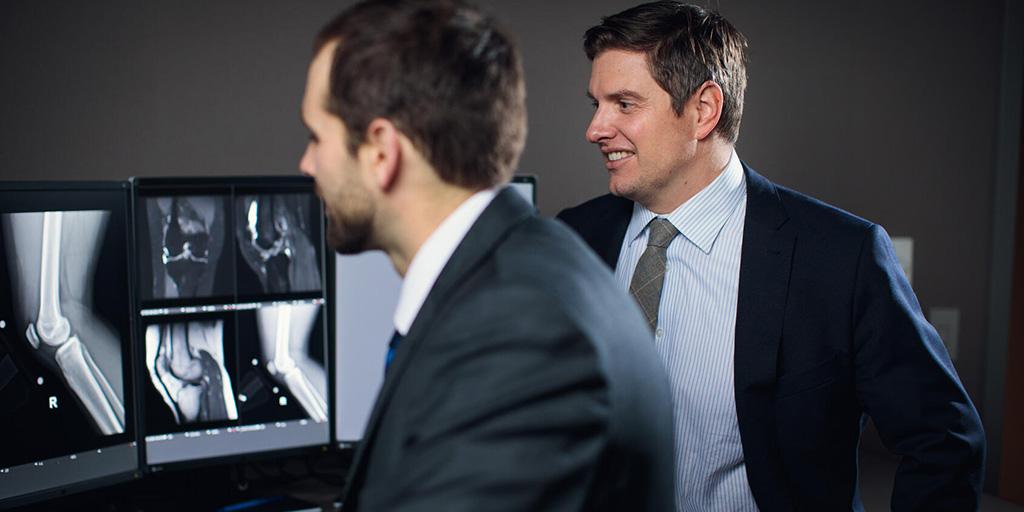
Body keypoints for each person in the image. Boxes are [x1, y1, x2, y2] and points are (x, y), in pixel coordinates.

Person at [557, 2, 986, 510]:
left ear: (703, 110)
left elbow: (944, 441)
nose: (596, 129)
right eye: (596, 104)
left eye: (624, 104)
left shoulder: (839, 258)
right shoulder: (572, 239)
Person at [299, 1, 675, 510]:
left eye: (317, 137)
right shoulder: (533, 267)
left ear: (382, 152)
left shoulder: (522, 337)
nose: (307, 164)